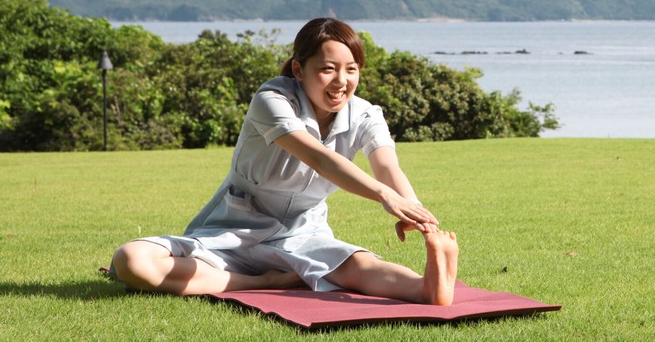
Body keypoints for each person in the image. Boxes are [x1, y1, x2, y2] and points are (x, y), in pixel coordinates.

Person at [110, 18, 458, 305]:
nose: (341, 81)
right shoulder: (272, 100)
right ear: (299, 69)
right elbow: (320, 159)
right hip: (235, 230)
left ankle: (426, 286)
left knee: (357, 266)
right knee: (132, 261)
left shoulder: (365, 114)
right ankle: (259, 283)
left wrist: (418, 215)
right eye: (328, 69)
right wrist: (384, 196)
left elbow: (387, 167)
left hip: (303, 231)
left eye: (351, 70)